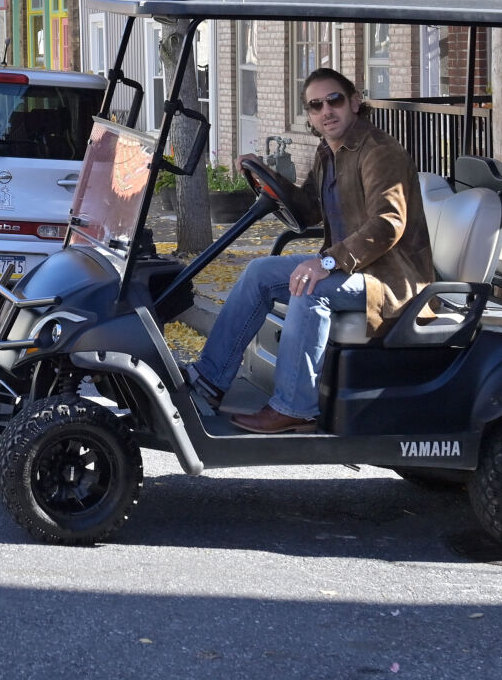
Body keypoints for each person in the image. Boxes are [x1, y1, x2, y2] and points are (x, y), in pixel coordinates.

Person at [185, 68, 436, 434]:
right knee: (259, 272)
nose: (326, 112)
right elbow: (306, 210)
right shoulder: (329, 151)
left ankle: (295, 407)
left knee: (309, 288)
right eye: (315, 106)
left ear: (354, 102)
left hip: (389, 278)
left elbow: (388, 224)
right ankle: (208, 381)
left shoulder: (379, 151)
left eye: (334, 100)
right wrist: (264, 174)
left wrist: (327, 261)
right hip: (353, 268)